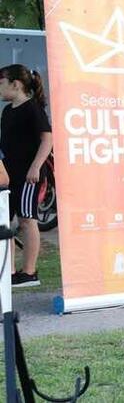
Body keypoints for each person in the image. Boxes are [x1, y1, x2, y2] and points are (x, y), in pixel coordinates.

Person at [0, 64, 53, 288]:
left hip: (29, 175)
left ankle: (29, 272)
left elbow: (47, 140)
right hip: (9, 176)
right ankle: (9, 271)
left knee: (26, 219)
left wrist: (35, 167)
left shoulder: (32, 109)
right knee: (5, 221)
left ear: (16, 84)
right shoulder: (7, 111)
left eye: (1, 84)